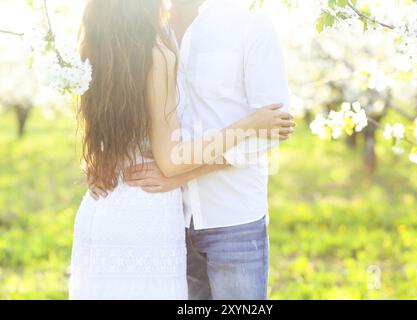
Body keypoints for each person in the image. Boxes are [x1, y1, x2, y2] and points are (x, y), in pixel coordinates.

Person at [70, 0, 294, 300]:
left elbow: (271, 129)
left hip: (228, 216)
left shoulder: (249, 20)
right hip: (161, 214)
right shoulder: (149, 33)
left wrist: (178, 176)